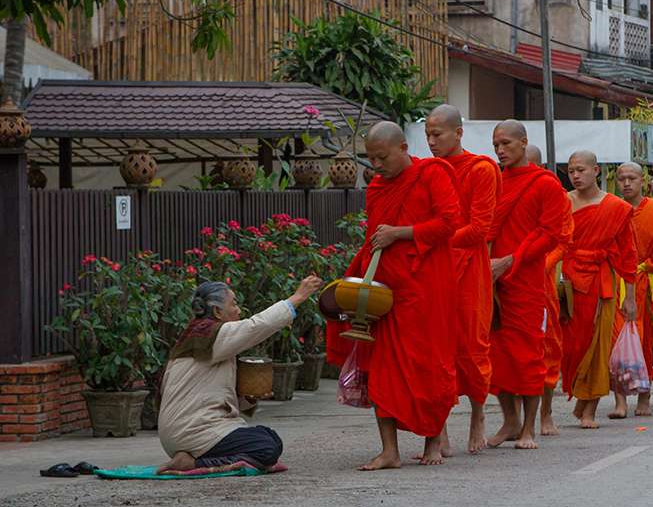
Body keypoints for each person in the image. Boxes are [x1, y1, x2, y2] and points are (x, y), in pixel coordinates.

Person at [326, 121, 461, 470]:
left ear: (402, 148)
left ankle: (433, 441)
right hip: (386, 291)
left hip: (426, 287)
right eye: (371, 159)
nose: (378, 165)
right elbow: (374, 237)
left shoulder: (432, 174)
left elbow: (449, 222)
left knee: (429, 365)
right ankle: (389, 450)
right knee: (381, 369)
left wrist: (400, 233)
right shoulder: (377, 188)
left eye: (383, 157)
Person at [157, 276, 323, 474]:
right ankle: (193, 464)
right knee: (266, 448)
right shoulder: (213, 334)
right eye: (234, 304)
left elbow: (217, 398)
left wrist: (249, 398)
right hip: (194, 431)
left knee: (270, 437)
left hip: (189, 430)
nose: (238, 310)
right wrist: (297, 297)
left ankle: (195, 458)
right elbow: (257, 326)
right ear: (218, 311)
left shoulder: (201, 336)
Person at [486, 120, 569, 450]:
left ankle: (529, 428)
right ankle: (510, 421)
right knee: (497, 354)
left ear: (523, 143)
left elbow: (551, 234)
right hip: (492, 281)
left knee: (528, 355)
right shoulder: (494, 181)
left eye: (506, 143)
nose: (500, 150)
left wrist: (510, 261)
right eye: (496, 145)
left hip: (527, 281)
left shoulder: (545, 183)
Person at [425, 104, 501, 455]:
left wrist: (433, 237)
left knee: (471, 346)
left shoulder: (480, 169)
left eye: (437, 134)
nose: (431, 141)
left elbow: (480, 229)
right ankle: (436, 427)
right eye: (427, 135)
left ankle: (478, 414)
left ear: (458, 133)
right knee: (435, 348)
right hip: (433, 269)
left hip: (469, 268)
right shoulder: (426, 171)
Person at [559, 151, 637, 426]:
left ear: (597, 171)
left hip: (600, 281)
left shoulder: (615, 207)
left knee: (597, 344)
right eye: (571, 171)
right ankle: (579, 399)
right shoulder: (562, 202)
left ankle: (589, 408)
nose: (576, 175)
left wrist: (630, 295)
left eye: (581, 170)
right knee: (570, 346)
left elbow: (628, 254)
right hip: (566, 281)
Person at [612, 162, 653, 415]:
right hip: (617, 283)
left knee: (645, 341)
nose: (626, 183)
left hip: (647, 285)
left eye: (632, 178)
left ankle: (643, 398)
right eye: (621, 179)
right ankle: (620, 401)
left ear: (643, 181)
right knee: (615, 341)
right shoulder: (611, 207)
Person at [525, 145, 574, 436]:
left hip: (539, 279)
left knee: (546, 347)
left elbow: (563, 238)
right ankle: (513, 418)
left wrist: (541, 264)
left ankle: (545, 413)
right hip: (510, 276)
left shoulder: (553, 193)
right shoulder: (502, 185)